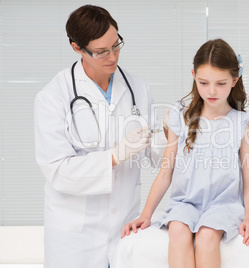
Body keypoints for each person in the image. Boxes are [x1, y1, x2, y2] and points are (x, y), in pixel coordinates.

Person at [34, 5, 166, 268]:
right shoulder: (53, 97)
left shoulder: (138, 87)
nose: (112, 57)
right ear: (76, 48)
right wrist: (114, 157)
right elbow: (58, 170)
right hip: (75, 238)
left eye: (116, 45)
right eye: (101, 51)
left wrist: (169, 135)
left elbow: (157, 155)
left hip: (125, 227)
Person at [121, 39, 249, 268]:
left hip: (223, 205)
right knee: (178, 230)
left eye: (221, 83)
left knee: (207, 236)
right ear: (193, 76)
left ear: (234, 81)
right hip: (185, 202)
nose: (211, 91)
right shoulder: (181, 116)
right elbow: (165, 172)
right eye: (203, 82)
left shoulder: (243, 123)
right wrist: (146, 214)